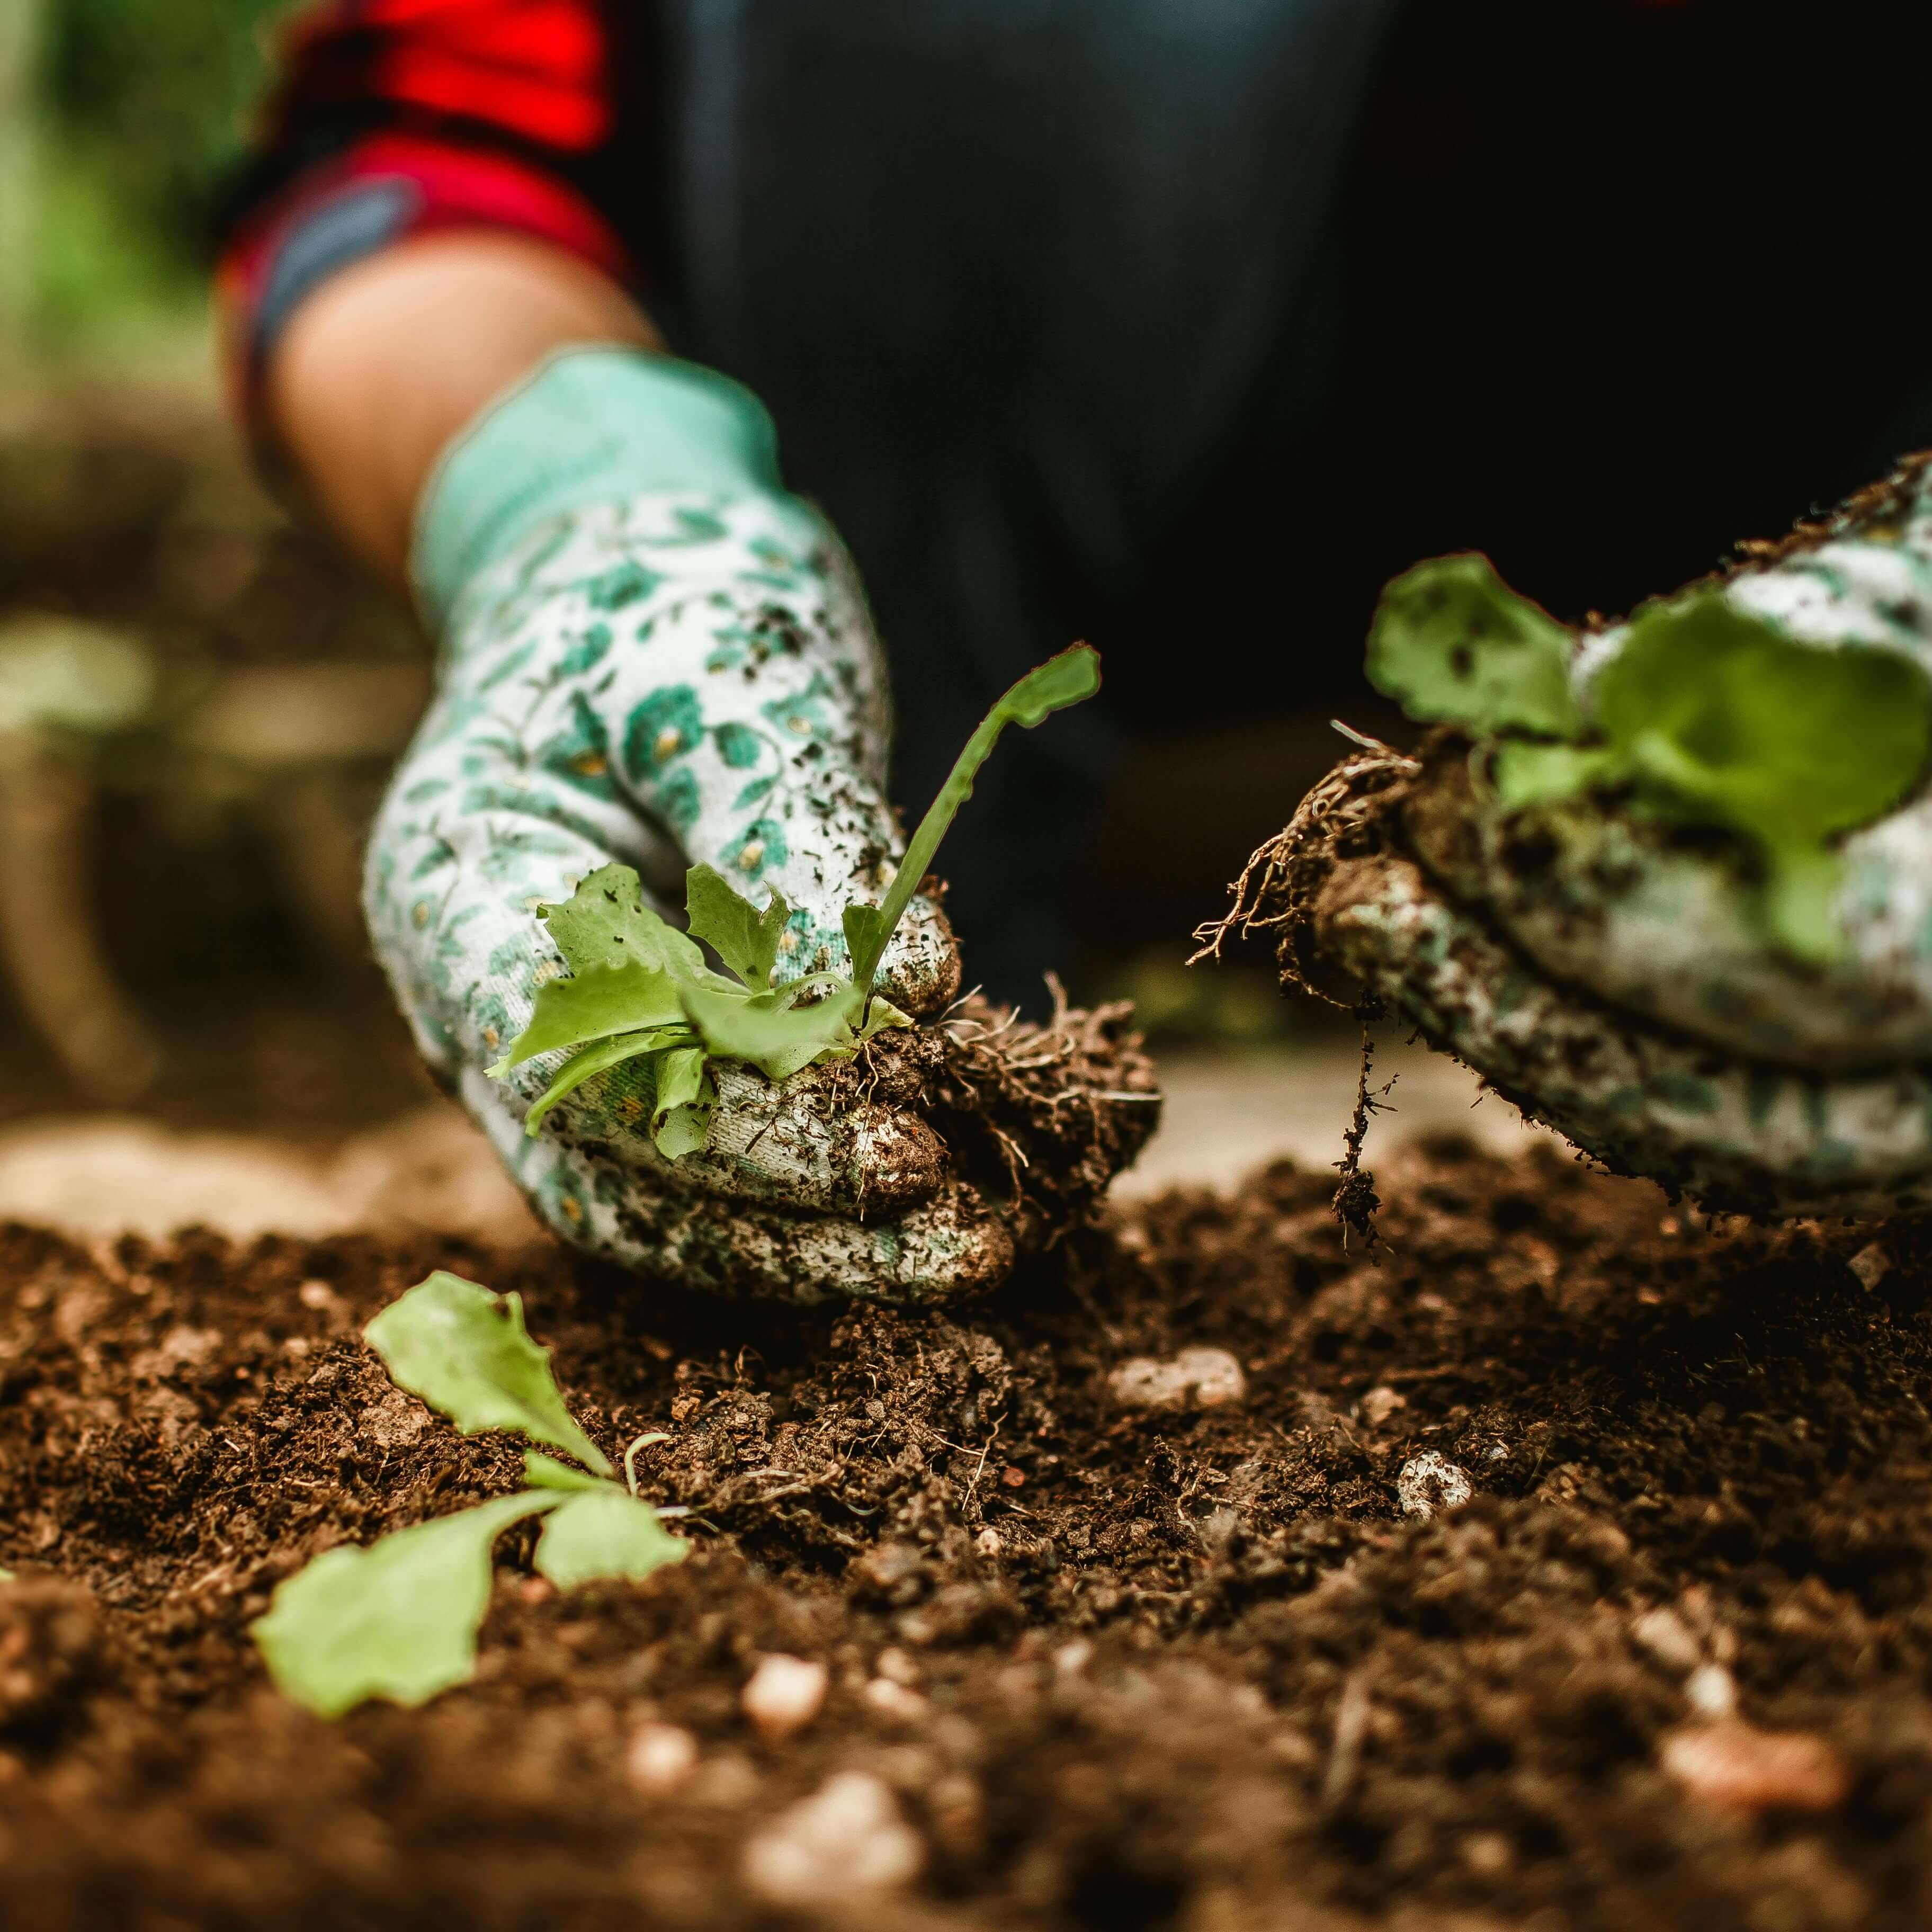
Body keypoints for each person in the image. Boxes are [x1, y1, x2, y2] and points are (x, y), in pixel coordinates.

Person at [216, 0, 1932, 1293]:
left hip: (1752, 401)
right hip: (952, 442)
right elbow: (400, 169)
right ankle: (936, 1066)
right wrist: (572, 497)